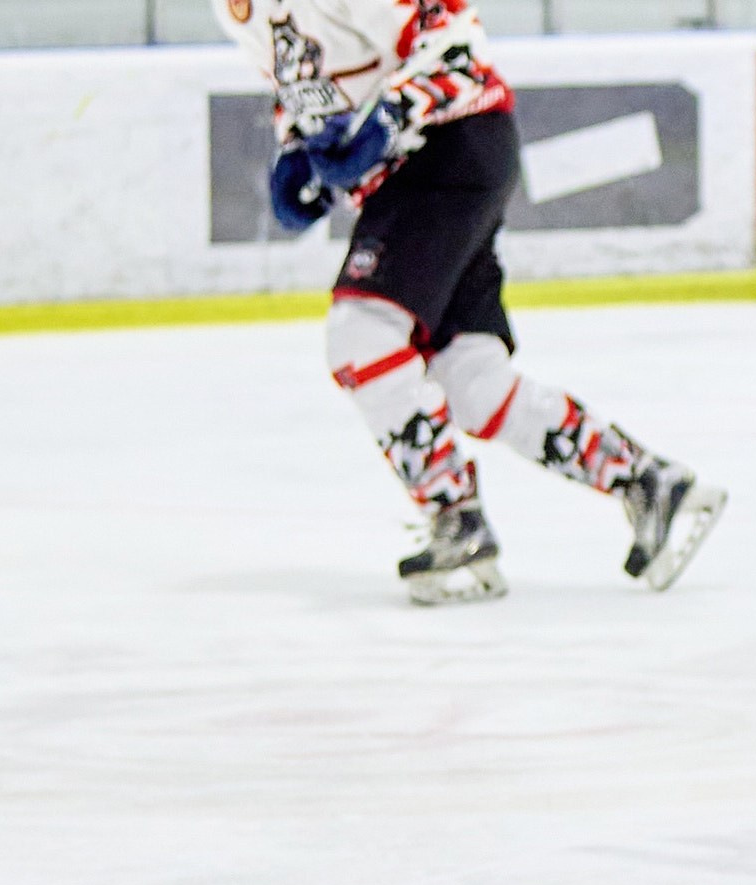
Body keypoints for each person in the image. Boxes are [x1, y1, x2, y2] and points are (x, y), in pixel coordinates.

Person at [213, 0, 724, 604]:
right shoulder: (233, 9)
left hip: (452, 145)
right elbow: (304, 87)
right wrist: (298, 150)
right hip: (418, 169)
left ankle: (456, 518)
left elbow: (459, 50)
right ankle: (647, 483)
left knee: (361, 336)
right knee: (471, 381)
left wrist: (392, 115)